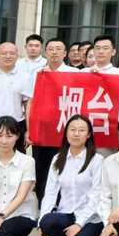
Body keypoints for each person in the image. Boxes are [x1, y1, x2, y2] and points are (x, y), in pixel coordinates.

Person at [38, 115, 105, 236]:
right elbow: (50, 193)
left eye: (81, 130)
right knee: (46, 223)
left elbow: (96, 197)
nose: (76, 134)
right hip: (66, 213)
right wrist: (41, 223)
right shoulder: (58, 159)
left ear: (88, 134)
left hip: (90, 218)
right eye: (72, 129)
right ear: (66, 133)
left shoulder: (97, 160)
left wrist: (79, 224)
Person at [23, 38, 77, 202]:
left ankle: (62, 204)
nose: (54, 52)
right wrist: (30, 129)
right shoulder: (38, 74)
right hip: (43, 130)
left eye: (58, 49)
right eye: (51, 49)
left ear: (65, 53)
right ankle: (43, 203)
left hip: (65, 130)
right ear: (45, 53)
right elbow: (30, 102)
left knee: (65, 167)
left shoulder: (74, 73)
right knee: (42, 168)